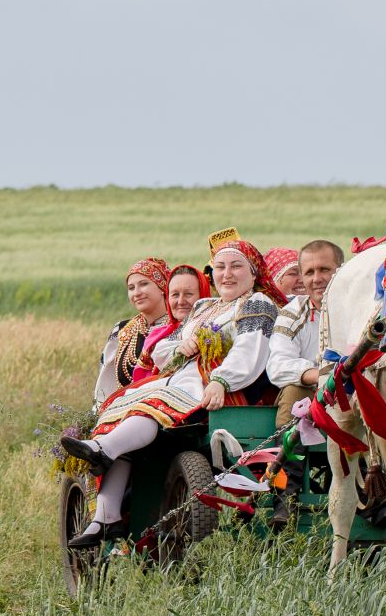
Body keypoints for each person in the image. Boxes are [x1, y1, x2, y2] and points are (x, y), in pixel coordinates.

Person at [63, 231, 286, 547]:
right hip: (181, 382)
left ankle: (104, 453)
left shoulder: (256, 304)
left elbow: (250, 351)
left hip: (218, 390)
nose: (227, 274)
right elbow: (162, 350)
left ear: (253, 273)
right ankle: (106, 513)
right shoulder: (205, 307)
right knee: (125, 410)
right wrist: (184, 345)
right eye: (220, 267)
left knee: (149, 408)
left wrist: (222, 380)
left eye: (236, 266)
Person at [265, 239, 344, 525]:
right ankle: (285, 497)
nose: (316, 278)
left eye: (325, 269)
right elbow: (277, 366)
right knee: (292, 392)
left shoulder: (358, 307)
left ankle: (375, 495)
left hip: (353, 391)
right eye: (309, 272)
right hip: (312, 392)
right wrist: (322, 375)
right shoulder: (293, 312)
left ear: (341, 270)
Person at [92, 258, 171, 406]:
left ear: (162, 287)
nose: (137, 293)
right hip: (121, 411)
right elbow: (104, 385)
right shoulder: (122, 330)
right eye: (131, 288)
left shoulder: (179, 327)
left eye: (144, 284)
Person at [124, 264, 210, 388]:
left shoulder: (213, 328)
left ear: (202, 295)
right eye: (175, 294)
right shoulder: (159, 335)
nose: (180, 301)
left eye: (188, 294)